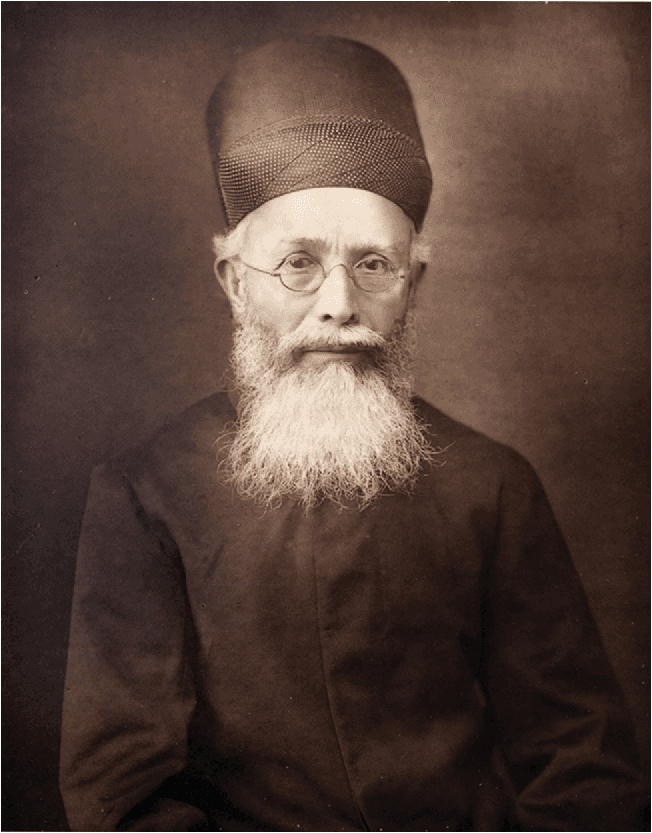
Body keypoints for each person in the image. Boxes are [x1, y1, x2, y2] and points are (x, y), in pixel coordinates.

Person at [59, 37, 647, 832]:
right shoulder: (144, 494)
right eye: (297, 263)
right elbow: (122, 793)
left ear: (415, 283)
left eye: (374, 265)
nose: (339, 304)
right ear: (234, 282)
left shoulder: (492, 483)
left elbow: (584, 767)